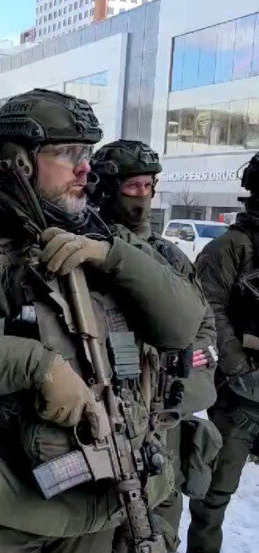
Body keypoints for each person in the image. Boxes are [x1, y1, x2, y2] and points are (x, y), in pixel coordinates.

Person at [0, 89, 207, 553]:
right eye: (67, 153)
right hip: (11, 516)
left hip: (114, 507)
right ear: (19, 162)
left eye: (85, 153)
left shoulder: (107, 242)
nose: (85, 168)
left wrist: (113, 257)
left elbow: (184, 326)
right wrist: (36, 365)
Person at [90, 140, 220, 552]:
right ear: (107, 187)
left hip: (161, 427)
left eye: (149, 185)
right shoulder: (88, 251)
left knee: (159, 531)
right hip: (103, 422)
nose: (143, 196)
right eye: (132, 186)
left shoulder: (173, 259)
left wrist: (176, 393)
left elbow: (204, 337)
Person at [187, 151, 259, 553]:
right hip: (240, 400)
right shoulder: (230, 248)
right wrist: (239, 370)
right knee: (213, 496)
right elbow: (208, 312)